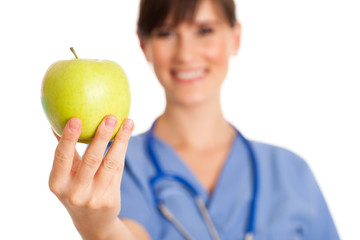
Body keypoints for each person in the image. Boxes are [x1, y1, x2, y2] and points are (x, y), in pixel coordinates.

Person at [48, 0, 339, 239]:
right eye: (166, 33)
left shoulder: (291, 172)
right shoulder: (116, 167)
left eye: (204, 30)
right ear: (143, 45)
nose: (186, 55)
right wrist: (98, 226)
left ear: (235, 38)